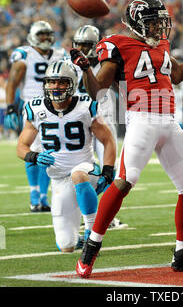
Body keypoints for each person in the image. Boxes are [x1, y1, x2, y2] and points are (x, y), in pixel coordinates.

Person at [70, 0, 183, 277]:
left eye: (160, 22)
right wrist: (85, 69)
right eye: (152, 22)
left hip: (169, 120)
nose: (158, 27)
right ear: (135, 24)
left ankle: (182, 254)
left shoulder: (162, 45)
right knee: (125, 180)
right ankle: (90, 250)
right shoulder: (117, 43)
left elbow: (177, 74)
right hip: (141, 119)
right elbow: (99, 89)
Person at [16, 60, 116, 252]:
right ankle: (76, 237)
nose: (56, 87)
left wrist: (108, 171)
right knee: (66, 245)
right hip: (59, 179)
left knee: (78, 174)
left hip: (86, 170)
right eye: (52, 82)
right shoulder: (36, 108)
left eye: (61, 82)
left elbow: (108, 140)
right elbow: (22, 146)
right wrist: (33, 157)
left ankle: (91, 230)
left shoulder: (85, 105)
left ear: (72, 83)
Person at [5, 20, 67, 212]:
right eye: (41, 34)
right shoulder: (24, 54)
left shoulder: (60, 53)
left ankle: (42, 195)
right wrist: (10, 107)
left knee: (50, 150)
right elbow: (13, 82)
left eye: (48, 34)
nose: (45, 38)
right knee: (33, 149)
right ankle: (34, 194)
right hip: (32, 106)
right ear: (32, 36)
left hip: (56, 105)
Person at [72, 25, 127, 230]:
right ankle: (81, 211)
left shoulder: (108, 64)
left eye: (86, 44)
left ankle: (103, 215)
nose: (82, 48)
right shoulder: (69, 65)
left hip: (104, 120)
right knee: (78, 170)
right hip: (81, 122)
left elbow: (124, 88)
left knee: (109, 171)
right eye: (79, 44)